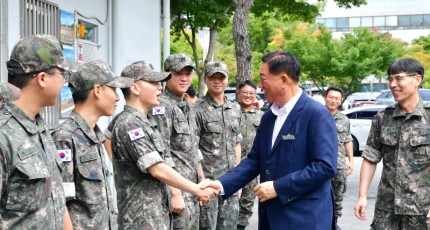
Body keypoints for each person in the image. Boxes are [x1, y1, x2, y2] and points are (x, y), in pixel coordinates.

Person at [200, 50, 338, 229]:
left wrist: (279, 188)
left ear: (283, 79)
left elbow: (325, 167)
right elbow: (255, 160)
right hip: (271, 217)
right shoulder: (269, 117)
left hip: (304, 218)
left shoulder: (316, 114)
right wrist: (220, 184)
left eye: (263, 78)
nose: (259, 85)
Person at [108, 60, 216, 229]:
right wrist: (195, 189)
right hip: (141, 218)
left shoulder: (144, 122)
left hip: (155, 214)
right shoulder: (130, 124)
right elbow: (157, 168)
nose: (159, 87)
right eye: (153, 83)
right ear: (135, 88)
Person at [0, 34, 76, 229]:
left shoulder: (41, 129)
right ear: (42, 78)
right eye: (62, 74)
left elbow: (57, 199)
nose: (64, 83)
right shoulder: (4, 135)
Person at [51, 60, 133, 229]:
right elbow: (59, 203)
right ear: (97, 90)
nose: (118, 97)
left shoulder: (96, 136)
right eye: (113, 89)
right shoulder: (65, 137)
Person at [354, 58, 430, 229]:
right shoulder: (383, 118)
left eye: (398, 78)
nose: (392, 84)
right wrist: (362, 196)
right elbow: (370, 158)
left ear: (417, 79)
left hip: (421, 212)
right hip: (386, 211)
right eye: (390, 79)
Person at [151, 53, 203, 229]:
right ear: (166, 75)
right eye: (178, 73)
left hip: (192, 190)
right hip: (177, 193)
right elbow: (161, 152)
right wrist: (175, 192)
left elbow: (193, 148)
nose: (184, 78)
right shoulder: (161, 107)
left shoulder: (187, 105)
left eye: (188, 73)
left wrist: (201, 180)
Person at [194, 61, 242, 230]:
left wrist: (238, 180)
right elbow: (194, 148)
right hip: (208, 185)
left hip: (230, 184)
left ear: (227, 80)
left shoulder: (235, 108)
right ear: (205, 80)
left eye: (221, 77)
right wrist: (200, 183)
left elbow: (237, 143)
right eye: (212, 77)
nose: (217, 81)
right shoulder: (197, 110)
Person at [323, 86, 354, 230]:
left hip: (339, 165)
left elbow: (347, 140)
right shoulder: (317, 115)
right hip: (319, 164)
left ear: (341, 101)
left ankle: (333, 223)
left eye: (337, 98)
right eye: (331, 97)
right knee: (318, 195)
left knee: (337, 196)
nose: (333, 100)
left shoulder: (344, 120)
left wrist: (351, 160)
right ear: (325, 98)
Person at [236, 80, 264, 230]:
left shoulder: (262, 116)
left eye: (251, 93)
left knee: (247, 202)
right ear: (238, 94)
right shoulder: (231, 112)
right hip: (232, 164)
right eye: (245, 92)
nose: (248, 96)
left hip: (252, 167)